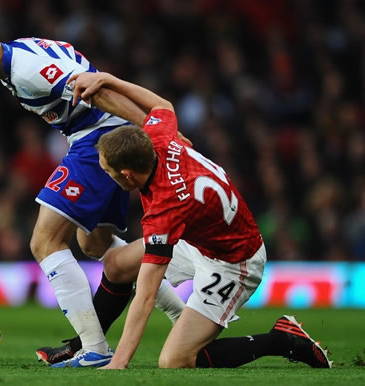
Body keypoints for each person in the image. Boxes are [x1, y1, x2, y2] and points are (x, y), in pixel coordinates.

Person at [0, 20, 186, 367]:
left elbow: (97, 90)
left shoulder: (27, 70)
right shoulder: (17, 55)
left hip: (99, 137)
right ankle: (182, 314)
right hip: (98, 135)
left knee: (44, 241)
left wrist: (153, 132)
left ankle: (95, 348)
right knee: (94, 245)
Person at [48, 71, 332, 369]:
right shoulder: (157, 138)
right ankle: (88, 347)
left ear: (128, 175)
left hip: (234, 262)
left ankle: (281, 340)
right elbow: (162, 105)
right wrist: (108, 80)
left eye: (108, 171)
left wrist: (119, 363)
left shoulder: (165, 208)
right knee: (117, 264)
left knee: (175, 360)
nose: (106, 175)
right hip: (196, 236)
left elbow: (145, 296)